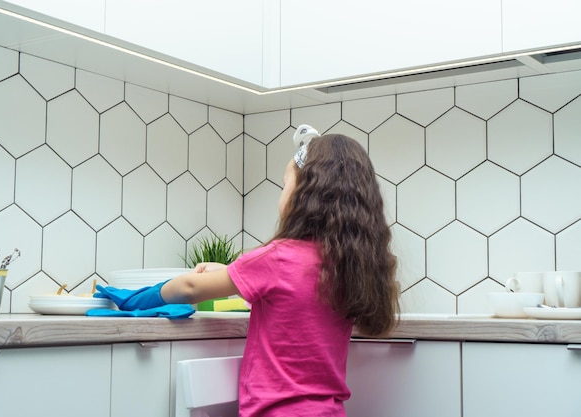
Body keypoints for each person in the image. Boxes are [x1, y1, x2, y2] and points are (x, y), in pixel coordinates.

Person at [97, 127, 400, 416]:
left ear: (305, 194)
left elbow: (190, 288)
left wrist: (136, 299)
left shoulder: (278, 256)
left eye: (285, 183)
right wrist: (230, 270)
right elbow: (289, 294)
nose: (282, 192)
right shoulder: (348, 266)